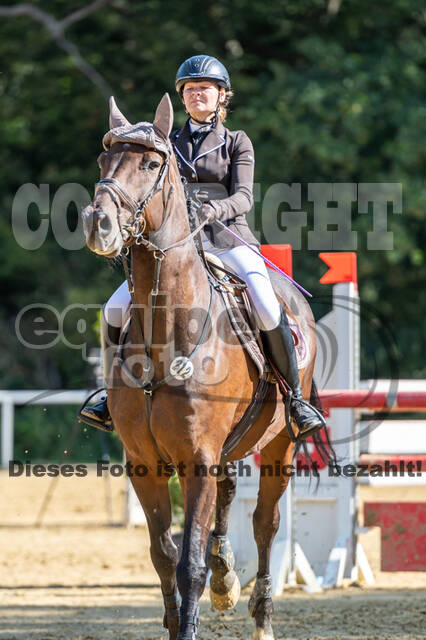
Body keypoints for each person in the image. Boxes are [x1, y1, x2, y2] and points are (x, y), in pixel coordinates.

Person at [79, 55, 323, 439]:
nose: (196, 95)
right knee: (113, 309)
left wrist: (215, 209)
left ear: (221, 96)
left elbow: (243, 197)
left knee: (263, 300)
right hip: (176, 248)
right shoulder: (167, 144)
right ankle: (109, 396)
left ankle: (295, 398)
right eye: (190, 90)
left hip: (228, 239)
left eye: (204, 89)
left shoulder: (236, 142)